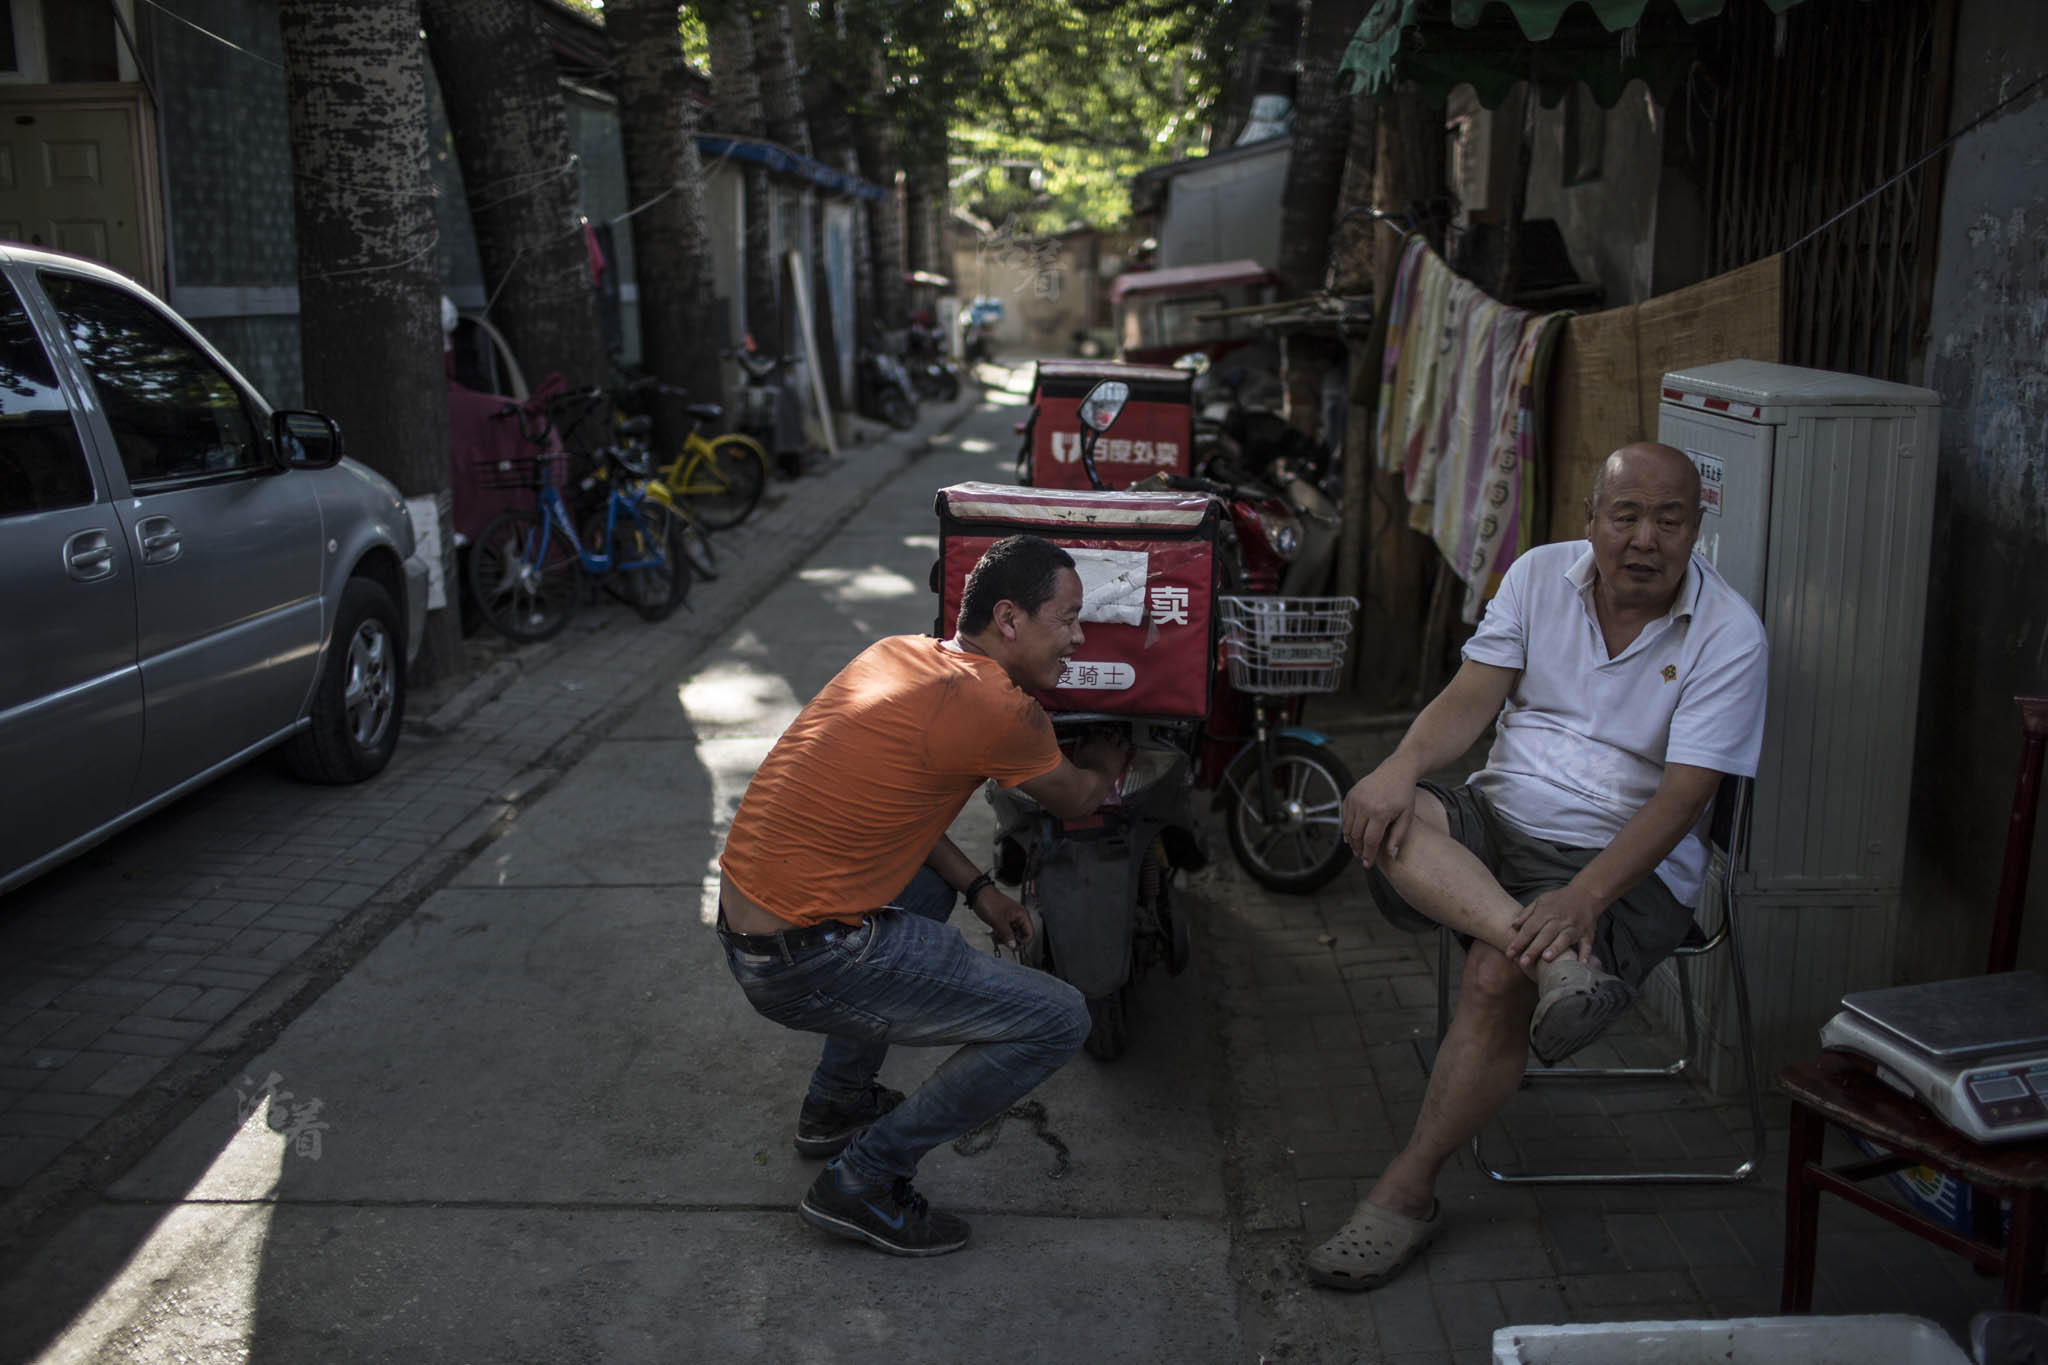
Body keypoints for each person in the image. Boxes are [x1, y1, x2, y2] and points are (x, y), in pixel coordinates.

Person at [1306, 442, 1768, 1292]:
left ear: (1695, 531)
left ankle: (1406, 1192)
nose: (1644, 538)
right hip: (1504, 815)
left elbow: (1682, 799)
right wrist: (1399, 765)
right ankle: (1558, 964)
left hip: (1628, 861)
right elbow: (1471, 700)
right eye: (1624, 515)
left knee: (1491, 973)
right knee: (1392, 817)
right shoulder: (1538, 575)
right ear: (1590, 519)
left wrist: (1585, 896)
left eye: (1669, 520)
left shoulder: (1730, 634)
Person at [716, 533, 1129, 1257]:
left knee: (928, 891)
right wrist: (1112, 751)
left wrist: (977, 888)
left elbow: (901, 812)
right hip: (804, 957)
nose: (1079, 635)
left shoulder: (896, 653)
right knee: (1060, 1018)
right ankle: (864, 1179)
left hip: (748, 926)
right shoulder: (1001, 708)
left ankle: (834, 1105)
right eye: (1066, 618)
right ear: (1009, 617)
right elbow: (1077, 798)